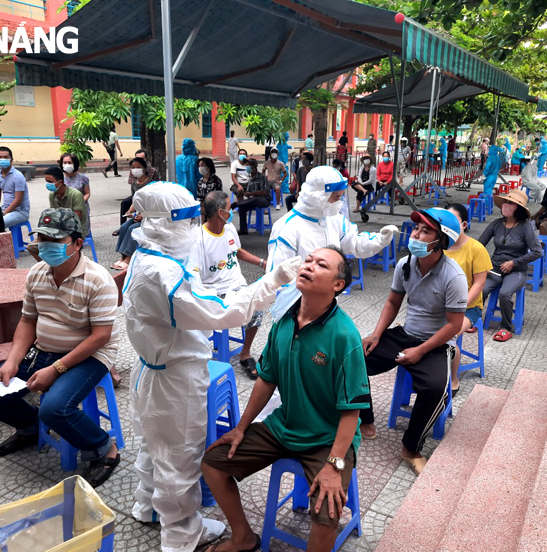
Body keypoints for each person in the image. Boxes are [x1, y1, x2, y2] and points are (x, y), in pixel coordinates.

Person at [121, 182, 300, 552]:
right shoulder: (164, 274)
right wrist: (274, 280)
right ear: (164, 223)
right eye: (186, 221)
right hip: (176, 377)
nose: (193, 228)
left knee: (155, 446)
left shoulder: (147, 255)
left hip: (153, 369)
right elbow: (223, 313)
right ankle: (181, 533)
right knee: (179, 454)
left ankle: (148, 507)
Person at [200, 246, 368, 552]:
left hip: (328, 439)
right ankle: (242, 537)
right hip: (284, 427)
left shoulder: (344, 336)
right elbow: (266, 379)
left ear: (338, 285)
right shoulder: (285, 320)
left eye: (321, 265)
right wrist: (241, 427)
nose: (309, 266)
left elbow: (352, 412)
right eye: (308, 260)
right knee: (213, 463)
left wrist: (334, 465)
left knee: (326, 509)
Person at [0, 208, 121, 487]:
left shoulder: (98, 280)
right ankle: (30, 428)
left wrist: (56, 369)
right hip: (43, 349)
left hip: (89, 354)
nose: (46, 248)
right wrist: (13, 360)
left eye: (55, 242)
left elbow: (100, 336)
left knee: (54, 408)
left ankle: (103, 448)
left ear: (77, 244)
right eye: (42, 240)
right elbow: (28, 321)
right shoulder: (37, 274)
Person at [262, 166, 397, 420]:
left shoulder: (332, 219)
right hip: (296, 313)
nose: (338, 201)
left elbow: (354, 243)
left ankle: (325, 415)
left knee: (327, 365)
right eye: (334, 197)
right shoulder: (288, 227)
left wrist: (379, 240)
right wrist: (300, 310)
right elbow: (278, 279)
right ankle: (282, 421)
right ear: (317, 195)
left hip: (325, 308)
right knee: (292, 372)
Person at [360, 208, 466, 475]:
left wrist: (420, 351)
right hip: (404, 334)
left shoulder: (454, 277)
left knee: (436, 390)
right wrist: (376, 334)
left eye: (425, 230)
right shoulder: (405, 264)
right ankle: (365, 422)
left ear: (441, 240)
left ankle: (411, 447)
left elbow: (454, 325)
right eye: (416, 228)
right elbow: (393, 301)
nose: (416, 234)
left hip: (434, 344)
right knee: (352, 359)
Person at [189, 191, 268, 379]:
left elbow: (238, 251)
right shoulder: (198, 238)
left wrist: (262, 262)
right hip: (213, 290)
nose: (231, 210)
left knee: (256, 306)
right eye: (229, 207)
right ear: (220, 212)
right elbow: (194, 274)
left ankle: (245, 353)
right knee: (223, 312)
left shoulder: (229, 227)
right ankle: (203, 353)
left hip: (236, 284)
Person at [479, 190, 542, 342]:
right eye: (506, 202)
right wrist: (483, 263)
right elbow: (479, 245)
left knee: (504, 293)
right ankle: (474, 320)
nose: (506, 205)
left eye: (511, 203)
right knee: (481, 289)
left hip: (516, 271)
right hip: (495, 268)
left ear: (518, 208)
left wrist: (513, 263)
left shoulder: (525, 227)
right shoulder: (496, 224)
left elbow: (537, 252)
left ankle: (506, 327)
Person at [444, 204, 492, 392]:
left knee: (448, 336)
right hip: (441, 305)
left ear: (463, 224)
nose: (446, 226)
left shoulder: (476, 249)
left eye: (452, 222)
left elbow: (479, 284)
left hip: (468, 307)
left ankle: (454, 380)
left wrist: (460, 306)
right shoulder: (439, 245)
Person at [111, 157, 154, 270]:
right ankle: (122, 257)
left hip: (150, 216)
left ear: (144, 168)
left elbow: (154, 204)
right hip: (138, 216)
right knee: (124, 226)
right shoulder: (134, 184)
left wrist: (144, 216)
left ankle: (129, 259)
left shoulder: (151, 184)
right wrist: (130, 212)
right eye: (133, 168)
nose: (136, 170)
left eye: (138, 167)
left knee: (132, 229)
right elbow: (135, 201)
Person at [0, 146, 30, 229]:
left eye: (5, 157)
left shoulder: (18, 176)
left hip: (20, 212)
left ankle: (4, 242)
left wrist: (4, 213)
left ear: (11, 160)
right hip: (5, 209)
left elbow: (18, 200)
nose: (2, 159)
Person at [46, 166, 89, 238]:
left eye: (50, 182)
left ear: (60, 182)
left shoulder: (76, 195)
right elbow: (54, 214)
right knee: (38, 243)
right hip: (60, 228)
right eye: (46, 181)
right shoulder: (52, 195)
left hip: (76, 229)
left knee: (54, 243)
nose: (47, 184)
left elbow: (75, 219)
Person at [235, 158, 270, 236]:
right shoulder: (250, 178)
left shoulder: (261, 177)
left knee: (255, 199)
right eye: (246, 165)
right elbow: (249, 193)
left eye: (248, 165)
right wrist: (243, 193)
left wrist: (250, 194)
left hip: (264, 199)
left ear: (254, 167)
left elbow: (264, 192)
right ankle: (243, 229)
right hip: (253, 200)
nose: (246, 167)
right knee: (242, 207)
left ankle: (236, 204)